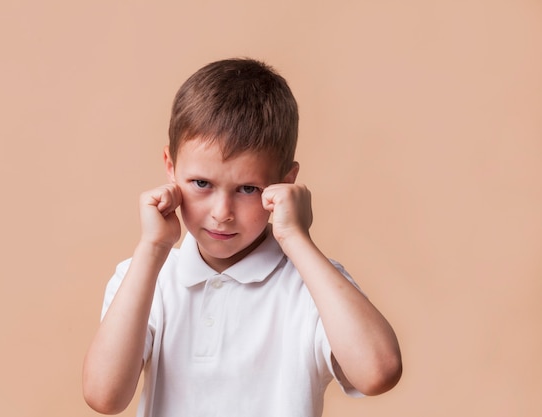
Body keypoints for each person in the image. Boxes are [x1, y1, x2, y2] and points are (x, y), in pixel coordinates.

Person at [82, 58, 402, 417]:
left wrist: (297, 239)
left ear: (286, 182)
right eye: (201, 183)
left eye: (248, 188)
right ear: (171, 167)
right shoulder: (145, 276)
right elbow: (104, 396)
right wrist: (152, 249)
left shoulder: (311, 285)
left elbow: (379, 372)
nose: (222, 212)